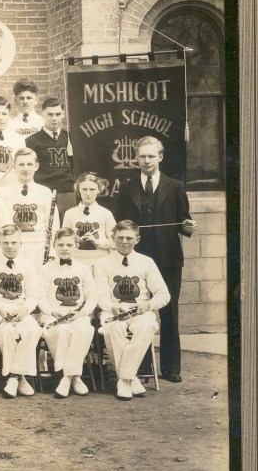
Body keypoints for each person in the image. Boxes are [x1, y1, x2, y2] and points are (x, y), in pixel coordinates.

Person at [113, 136, 196, 382]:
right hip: (137, 261)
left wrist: (189, 227)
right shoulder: (127, 188)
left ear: (160, 157)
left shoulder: (175, 186)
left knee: (169, 313)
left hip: (168, 259)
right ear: (136, 159)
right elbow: (121, 226)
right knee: (138, 312)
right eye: (142, 156)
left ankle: (171, 368)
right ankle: (140, 367)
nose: (146, 161)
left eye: (151, 156)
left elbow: (184, 223)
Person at [94, 220, 171, 400]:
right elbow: (101, 296)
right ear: (113, 238)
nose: (124, 242)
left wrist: (148, 305)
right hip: (113, 311)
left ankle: (124, 379)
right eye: (120, 238)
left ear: (138, 239)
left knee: (146, 326)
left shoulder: (147, 262)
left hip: (140, 311)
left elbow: (163, 294)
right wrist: (112, 307)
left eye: (129, 238)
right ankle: (130, 378)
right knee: (114, 328)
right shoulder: (102, 263)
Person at [0, 225, 43, 399]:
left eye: (14, 242)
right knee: (6, 331)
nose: (10, 246)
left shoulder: (29, 266)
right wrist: (0, 310)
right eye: (6, 242)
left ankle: (14, 377)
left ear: (20, 243)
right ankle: (20, 378)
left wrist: (25, 310)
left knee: (33, 330)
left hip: (20, 311)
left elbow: (33, 295)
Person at [37, 228, 98, 398]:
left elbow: (92, 297)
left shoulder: (84, 269)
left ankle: (67, 377)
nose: (64, 248)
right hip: (53, 314)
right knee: (61, 332)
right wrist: (52, 311)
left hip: (77, 314)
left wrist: (83, 312)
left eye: (69, 245)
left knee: (84, 330)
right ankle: (74, 376)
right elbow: (40, 298)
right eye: (60, 244)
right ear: (54, 245)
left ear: (76, 246)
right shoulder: (45, 269)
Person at [0, 148, 57, 265]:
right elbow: (1, 224)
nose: (25, 169)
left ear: (37, 166)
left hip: (38, 247)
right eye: (21, 164)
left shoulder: (45, 192)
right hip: (12, 246)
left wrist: (52, 252)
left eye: (29, 164)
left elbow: (53, 224)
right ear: (14, 167)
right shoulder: (3, 192)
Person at [24, 98, 75, 219]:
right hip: (43, 190)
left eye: (58, 114)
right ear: (43, 114)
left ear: (63, 114)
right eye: (50, 114)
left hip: (67, 192)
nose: (54, 118)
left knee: (67, 231)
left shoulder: (71, 138)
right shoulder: (31, 141)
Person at [62, 172, 116, 264]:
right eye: (84, 189)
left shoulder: (106, 213)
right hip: (77, 260)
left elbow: (115, 241)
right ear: (78, 190)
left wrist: (97, 242)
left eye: (92, 189)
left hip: (101, 260)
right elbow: (64, 239)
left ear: (99, 190)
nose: (88, 193)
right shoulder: (70, 213)